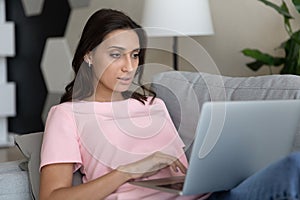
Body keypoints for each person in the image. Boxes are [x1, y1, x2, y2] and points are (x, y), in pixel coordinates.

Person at [39, 8, 300, 200]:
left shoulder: (152, 103)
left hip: (206, 196)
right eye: (116, 55)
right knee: (293, 169)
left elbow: (183, 172)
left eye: (135, 55)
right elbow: (53, 197)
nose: (129, 67)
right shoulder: (67, 115)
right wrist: (128, 171)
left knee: (293, 165)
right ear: (89, 55)